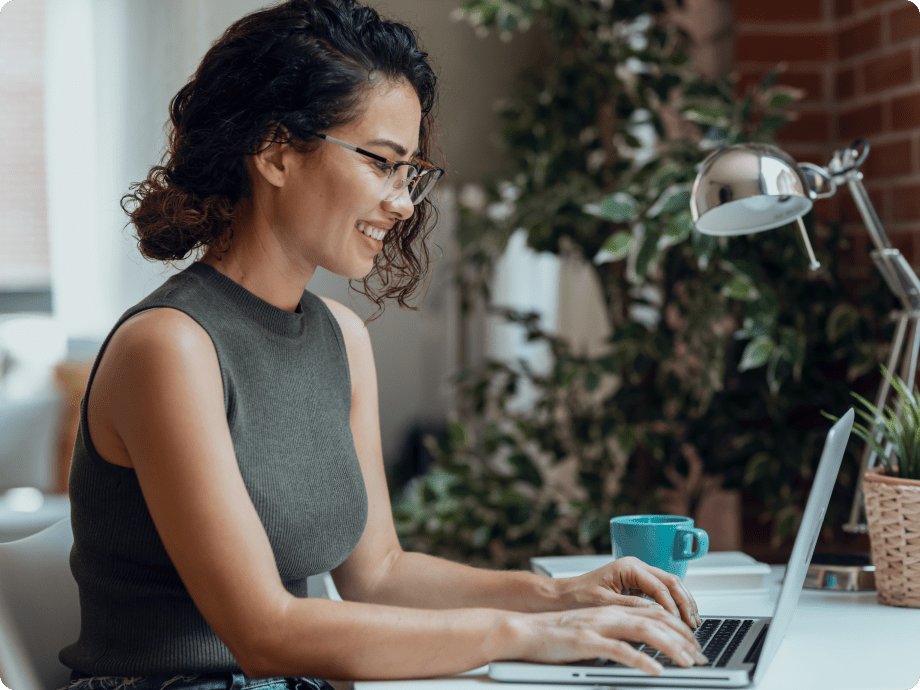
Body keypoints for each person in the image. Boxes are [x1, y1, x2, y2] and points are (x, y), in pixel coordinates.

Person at [59, 1, 707, 689]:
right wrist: (529, 635)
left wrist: (564, 595)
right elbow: (265, 633)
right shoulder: (169, 347)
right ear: (276, 152)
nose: (403, 203)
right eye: (380, 162)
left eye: (409, 172)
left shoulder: (339, 337)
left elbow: (380, 574)